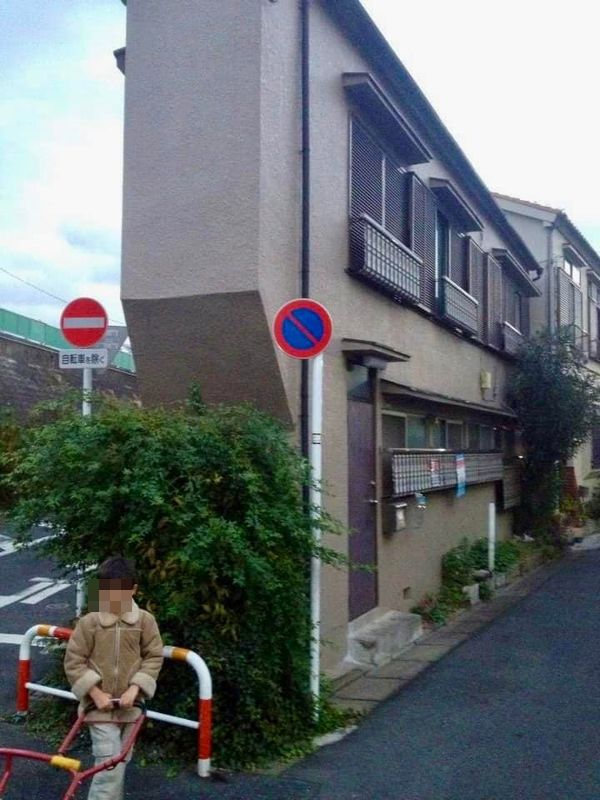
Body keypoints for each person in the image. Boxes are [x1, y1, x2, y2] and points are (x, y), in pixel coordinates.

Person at [64, 555, 163, 800]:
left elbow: (154, 656)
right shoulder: (90, 622)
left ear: (133, 590)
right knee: (109, 764)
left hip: (131, 707)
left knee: (120, 761)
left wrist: (135, 689)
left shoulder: (144, 621)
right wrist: (95, 693)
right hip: (97, 708)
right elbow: (74, 661)